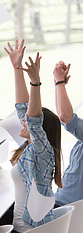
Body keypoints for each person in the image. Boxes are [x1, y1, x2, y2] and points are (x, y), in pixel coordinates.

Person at [5, 39, 62, 232]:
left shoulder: (42, 152)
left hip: (30, 230)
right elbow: (23, 108)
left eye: (28, 121)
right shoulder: (31, 148)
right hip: (22, 228)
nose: (23, 120)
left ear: (40, 130)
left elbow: (32, 120)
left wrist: (35, 82)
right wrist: (16, 68)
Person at [53, 61, 83, 207]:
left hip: (69, 210)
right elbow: (62, 117)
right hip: (60, 201)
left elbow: (66, 117)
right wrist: (58, 85)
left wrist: (60, 83)